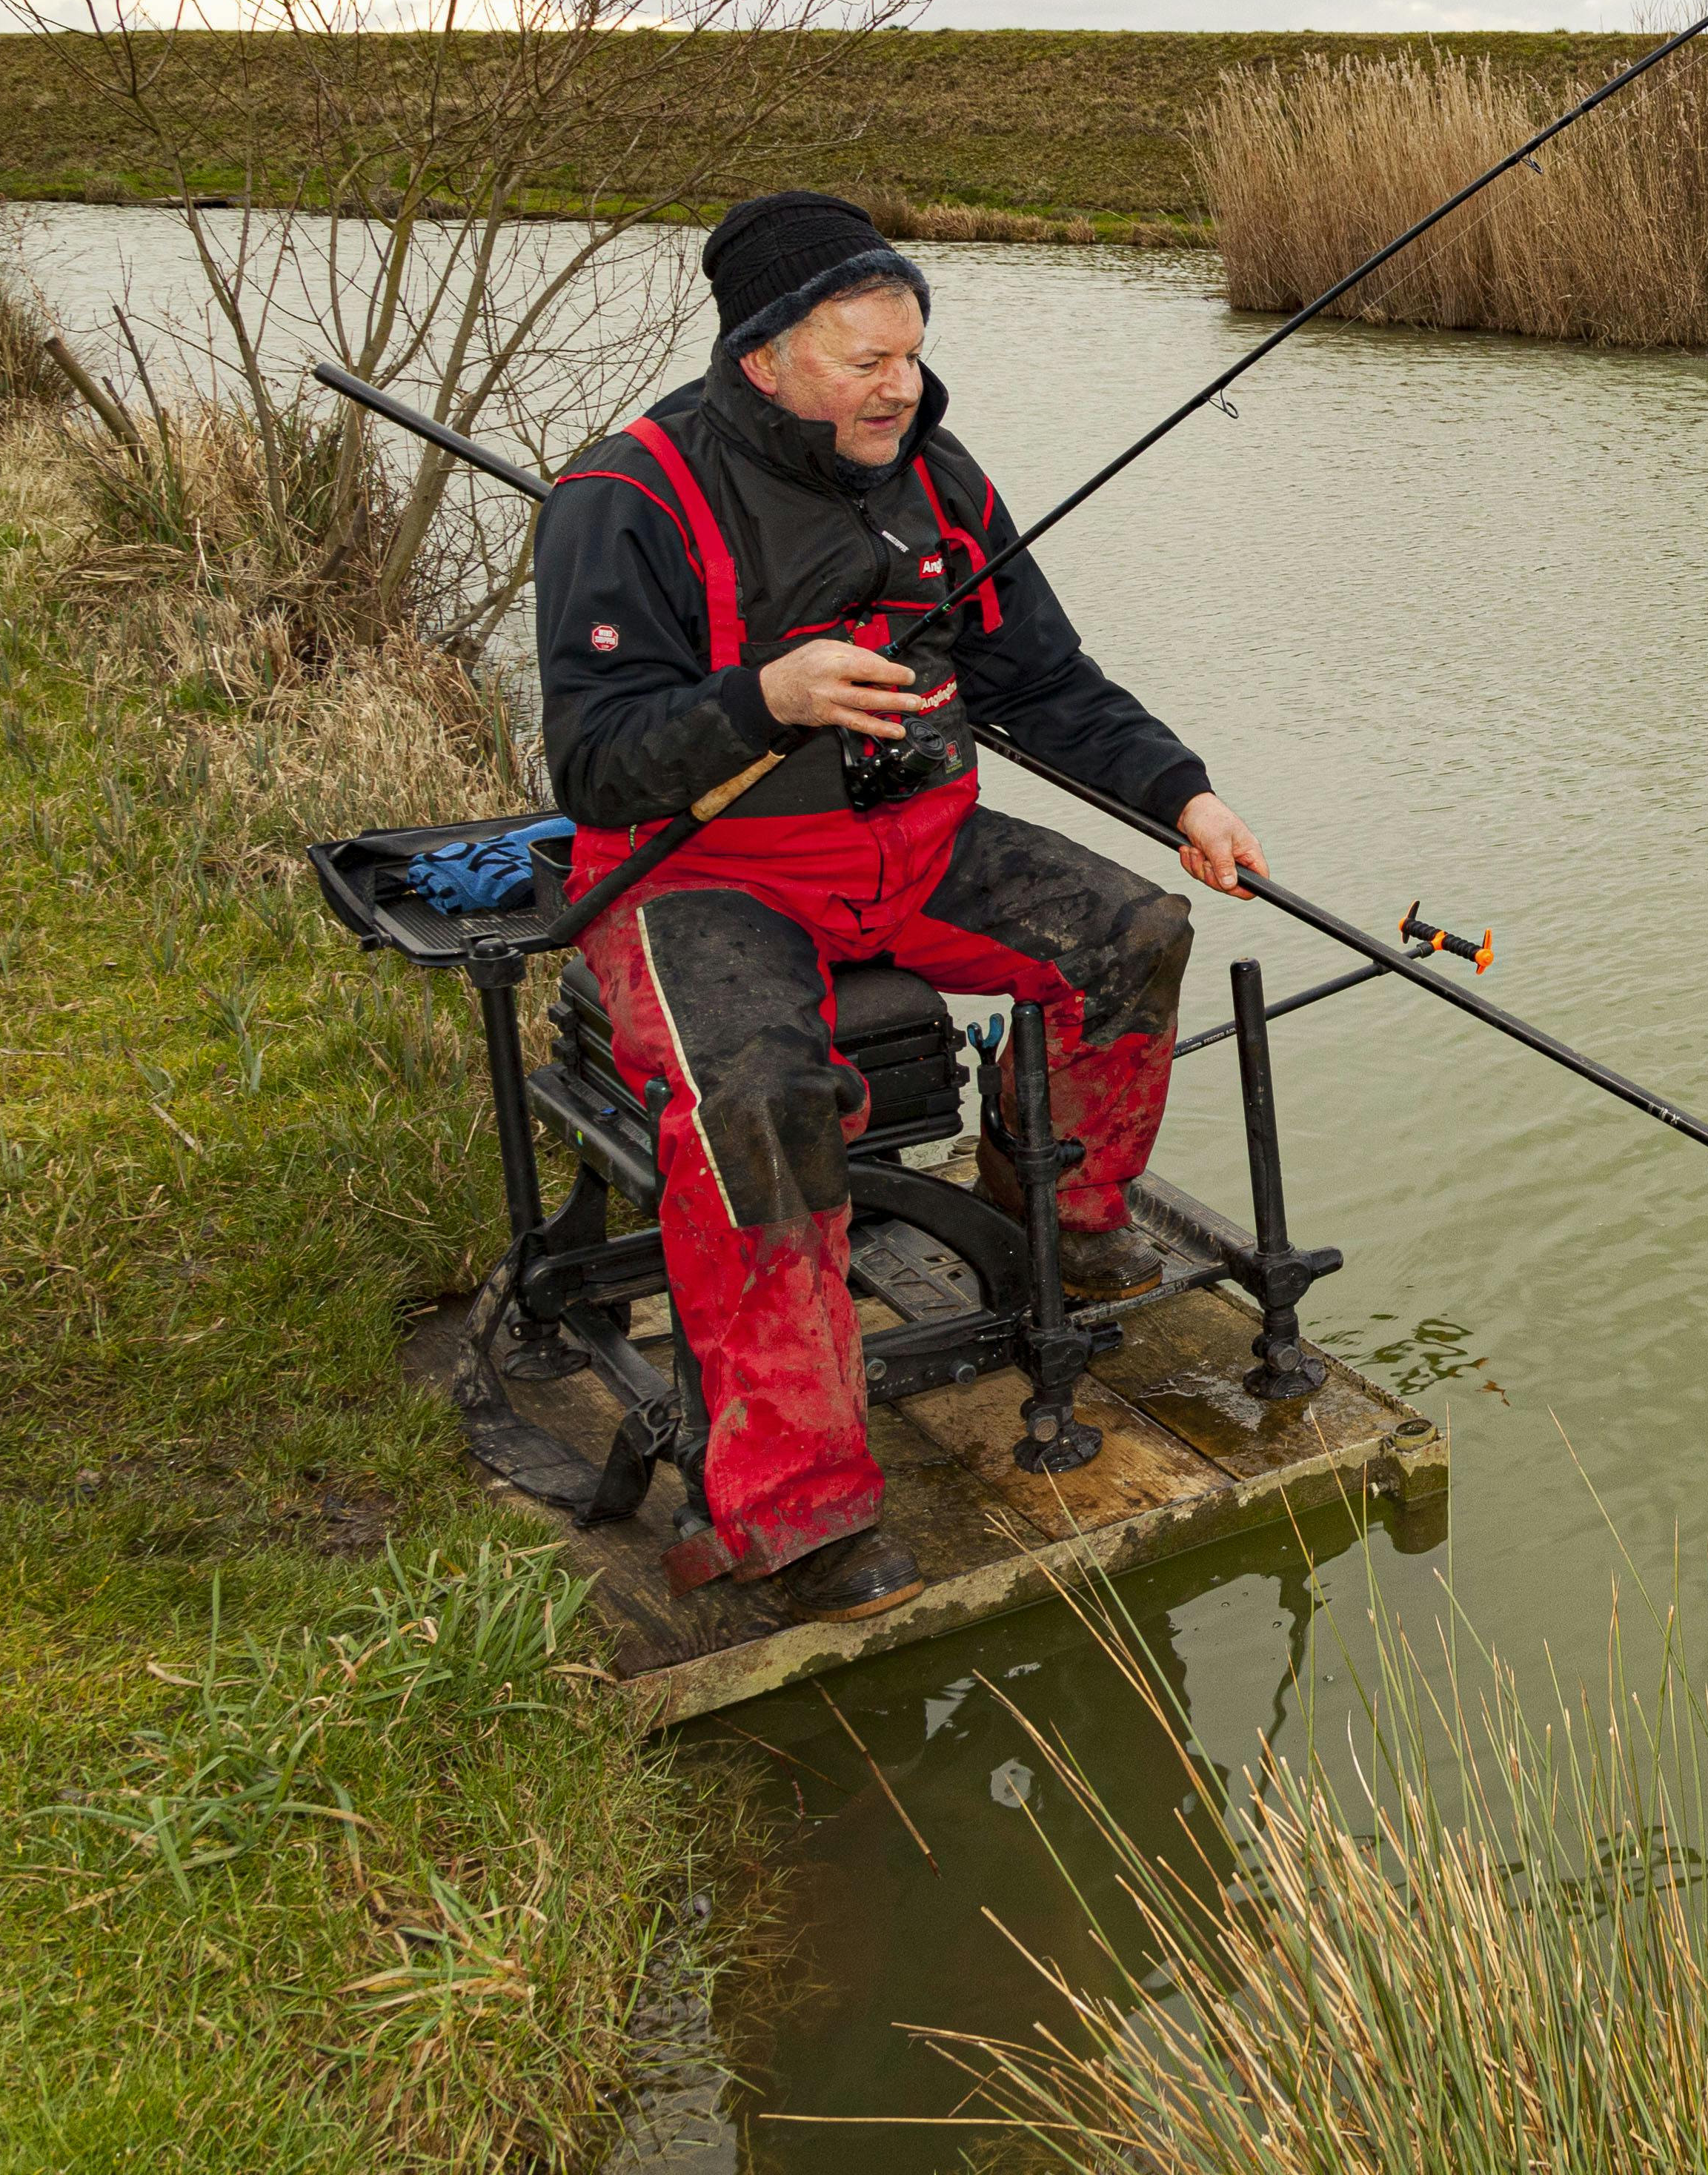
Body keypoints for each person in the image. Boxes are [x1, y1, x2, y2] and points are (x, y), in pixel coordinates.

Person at [533, 191, 1266, 1623]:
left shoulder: (940, 479)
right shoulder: (623, 500)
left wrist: (1185, 795)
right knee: (760, 1103)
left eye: (911, 353)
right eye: (864, 359)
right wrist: (767, 698)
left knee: (1132, 939)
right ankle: (793, 1508)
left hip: (916, 849)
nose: (901, 386)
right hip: (702, 873)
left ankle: (1054, 1207)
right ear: (762, 358)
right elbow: (597, 759)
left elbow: (1046, 683)